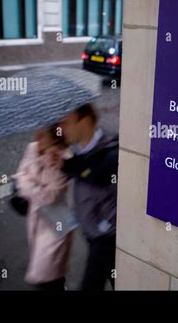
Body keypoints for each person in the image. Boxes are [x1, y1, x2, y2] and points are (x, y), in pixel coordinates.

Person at [52, 103, 118, 291]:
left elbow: (95, 173)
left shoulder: (111, 153)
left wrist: (101, 228)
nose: (61, 129)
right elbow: (84, 168)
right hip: (91, 233)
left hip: (105, 238)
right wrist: (61, 163)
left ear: (85, 121)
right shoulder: (79, 152)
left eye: (66, 122)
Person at [15, 126, 72, 291]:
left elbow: (50, 196)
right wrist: (32, 186)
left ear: (54, 139)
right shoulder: (32, 148)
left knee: (48, 275)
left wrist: (28, 185)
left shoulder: (62, 159)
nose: (37, 141)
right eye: (37, 136)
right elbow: (20, 174)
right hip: (36, 222)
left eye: (42, 137)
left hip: (55, 227)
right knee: (46, 275)